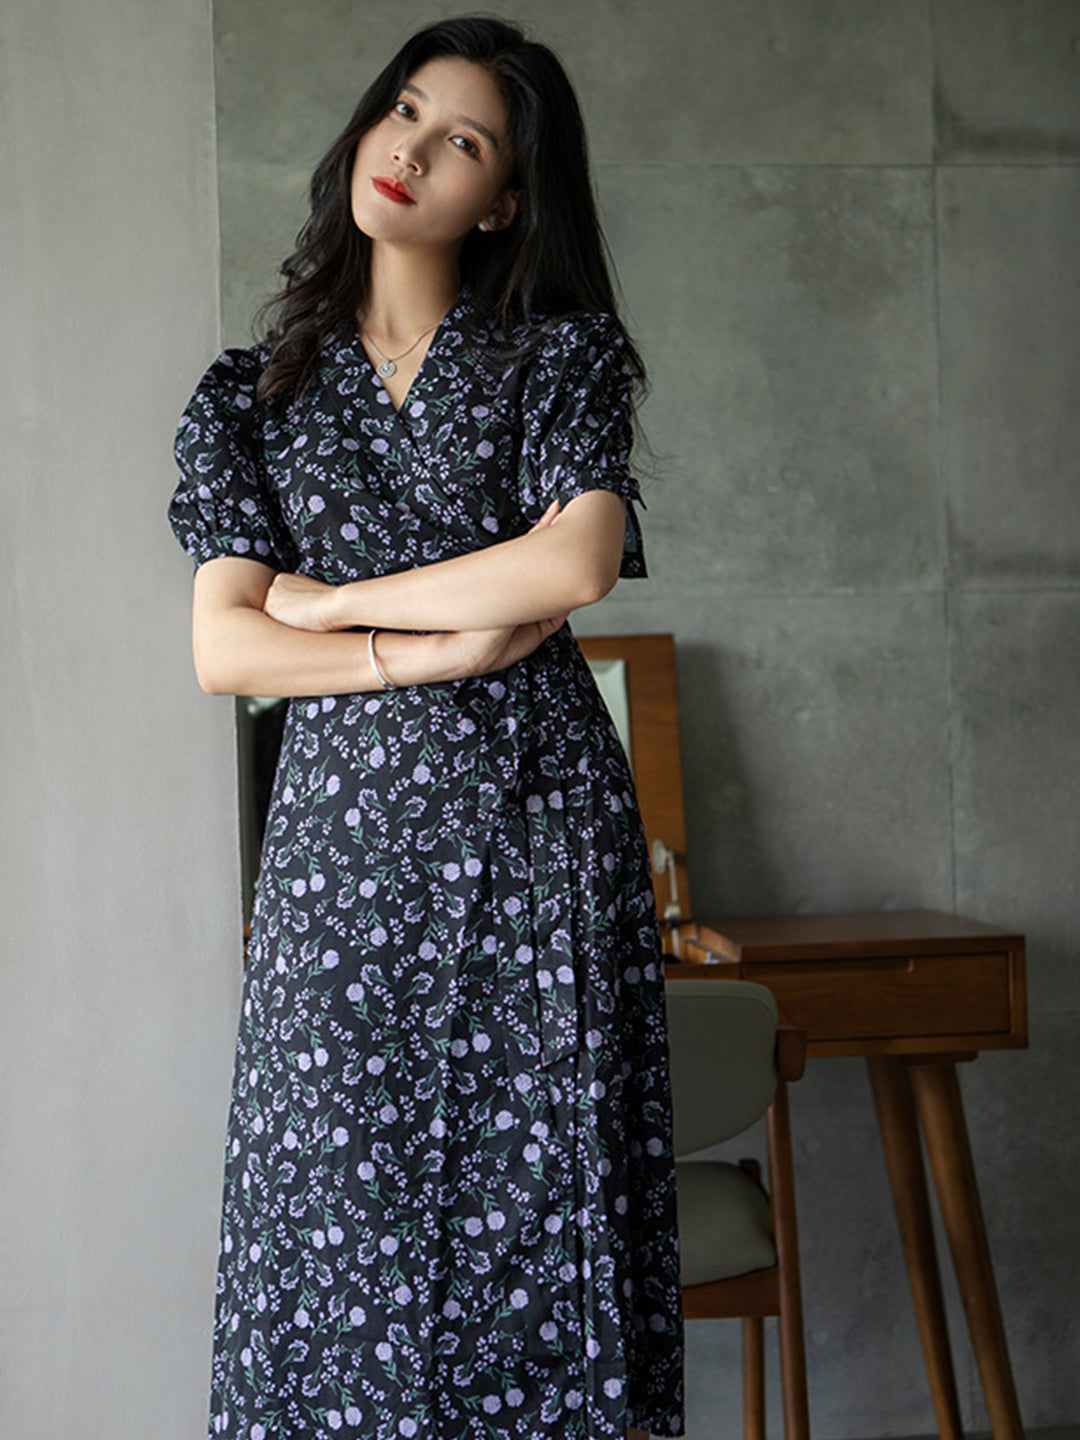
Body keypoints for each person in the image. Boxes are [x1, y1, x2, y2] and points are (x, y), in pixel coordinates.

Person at [169, 14, 685, 1440]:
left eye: (462, 139)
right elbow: (224, 647)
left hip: (535, 837)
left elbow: (574, 562)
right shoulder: (251, 398)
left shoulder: (558, 359)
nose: (410, 148)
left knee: (540, 1222)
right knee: (328, 1219)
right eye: (403, 110)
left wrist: (333, 607)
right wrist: (426, 648)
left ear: (502, 199)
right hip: (342, 864)